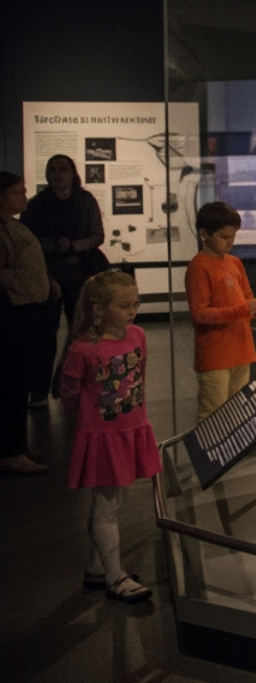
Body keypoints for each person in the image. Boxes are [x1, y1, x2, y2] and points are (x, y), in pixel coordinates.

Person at [60, 270, 161, 604]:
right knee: (106, 508)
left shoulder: (138, 336)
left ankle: (97, 567)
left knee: (113, 502)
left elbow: (140, 379)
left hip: (129, 428)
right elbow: (70, 394)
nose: (132, 310)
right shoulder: (83, 350)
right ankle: (115, 577)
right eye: (124, 305)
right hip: (104, 435)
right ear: (99, 308)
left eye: (135, 303)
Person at [20, 153, 104, 406]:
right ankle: (39, 391)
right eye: (53, 169)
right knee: (45, 336)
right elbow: (29, 241)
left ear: (72, 172)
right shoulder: (36, 205)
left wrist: (75, 245)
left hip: (82, 274)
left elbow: (97, 235)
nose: (58, 173)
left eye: (63, 169)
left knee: (83, 332)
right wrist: (57, 246)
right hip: (48, 276)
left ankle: (78, 386)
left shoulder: (85, 200)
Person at [186, 202, 256, 422]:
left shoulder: (235, 263)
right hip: (216, 353)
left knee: (236, 414)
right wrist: (246, 308)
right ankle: (211, 457)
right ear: (205, 234)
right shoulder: (199, 266)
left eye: (233, 237)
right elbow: (200, 314)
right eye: (224, 237)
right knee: (213, 415)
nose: (230, 242)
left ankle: (232, 457)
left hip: (241, 349)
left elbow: (244, 303)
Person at [0, 172, 56, 474]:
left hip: (26, 308)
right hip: (14, 311)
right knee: (12, 381)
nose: (24, 196)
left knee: (18, 380)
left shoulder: (12, 225)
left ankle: (16, 445)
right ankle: (11, 449)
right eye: (16, 192)